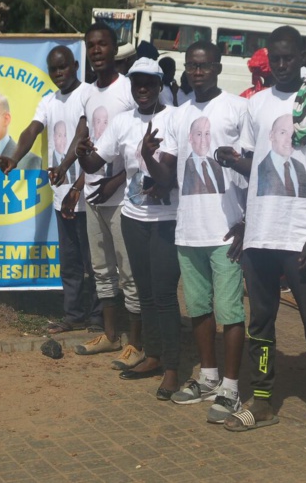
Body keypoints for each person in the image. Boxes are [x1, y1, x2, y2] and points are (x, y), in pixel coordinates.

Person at [219, 25, 306, 451]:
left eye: (288, 57)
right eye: (274, 58)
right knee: (261, 323)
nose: (281, 65)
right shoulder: (255, 105)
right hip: (261, 236)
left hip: (302, 238)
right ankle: (261, 402)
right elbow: (257, 168)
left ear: (301, 56)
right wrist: (242, 219)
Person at [143, 40, 247, 423]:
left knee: (230, 311)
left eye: (204, 65)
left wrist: (247, 220)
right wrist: (145, 155)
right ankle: (207, 378)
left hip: (226, 231)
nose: (197, 72)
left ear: (218, 67)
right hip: (188, 230)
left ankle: (232, 388)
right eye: (192, 66)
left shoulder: (238, 109)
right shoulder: (176, 115)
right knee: (200, 309)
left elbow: (254, 167)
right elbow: (168, 178)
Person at [76, 58, 181, 399]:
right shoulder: (123, 122)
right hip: (134, 217)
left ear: (160, 84)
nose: (142, 88)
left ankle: (172, 368)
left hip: (167, 220)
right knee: (146, 292)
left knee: (165, 295)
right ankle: (151, 355)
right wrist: (82, 153)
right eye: (137, 82)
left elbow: (168, 176)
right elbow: (97, 162)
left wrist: (150, 156)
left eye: (149, 82)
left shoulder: (174, 118)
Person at [0, 45, 102, 336]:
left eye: (63, 67)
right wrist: (14, 158)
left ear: (76, 65)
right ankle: (73, 315)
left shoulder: (88, 94)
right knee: (69, 261)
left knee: (94, 261)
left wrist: (74, 179)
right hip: (61, 193)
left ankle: (98, 318)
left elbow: (84, 131)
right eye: (53, 69)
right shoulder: (48, 101)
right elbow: (32, 130)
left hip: (87, 189)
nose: (58, 74)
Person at [54, 22, 142, 365]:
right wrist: (70, 171)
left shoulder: (130, 89)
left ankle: (135, 342)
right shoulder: (88, 93)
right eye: (90, 46)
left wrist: (117, 179)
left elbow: (142, 140)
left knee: (129, 272)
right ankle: (108, 335)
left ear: (114, 47)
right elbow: (84, 133)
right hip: (93, 192)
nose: (96, 51)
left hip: (125, 197)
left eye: (102, 44)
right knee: (101, 269)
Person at [255, 114, 306, 197]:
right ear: (271, 136)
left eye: (293, 133)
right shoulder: (260, 168)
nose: (289, 139)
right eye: (283, 133)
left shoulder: (300, 167)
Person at [181, 117, 226, 195]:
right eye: (199, 134)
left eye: (207, 134)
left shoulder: (216, 165)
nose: (203, 140)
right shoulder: (185, 167)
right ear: (190, 138)